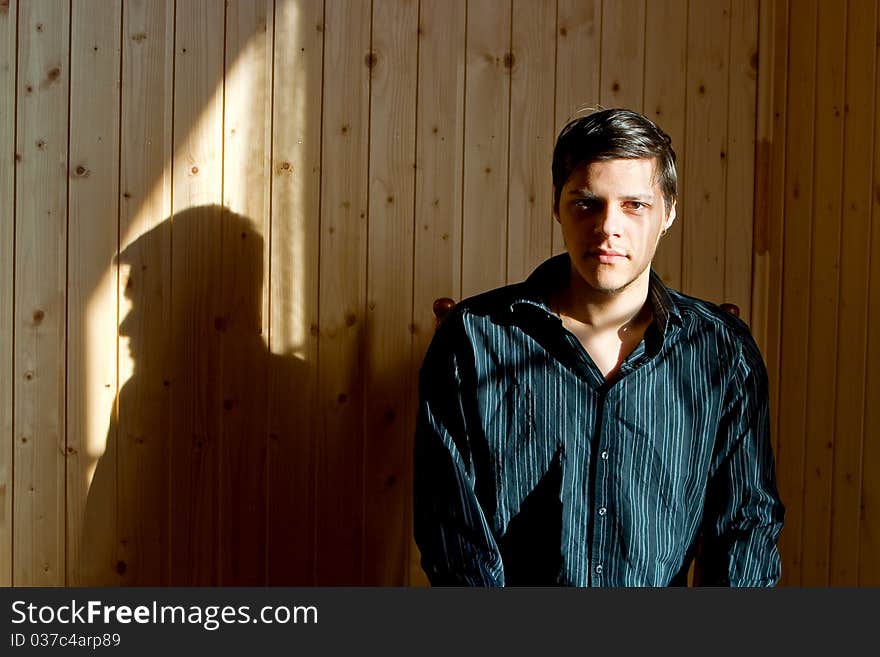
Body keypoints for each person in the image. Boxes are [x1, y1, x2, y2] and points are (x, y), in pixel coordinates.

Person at [413, 108, 784, 586]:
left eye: (635, 205)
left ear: (669, 212)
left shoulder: (722, 354)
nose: (608, 226)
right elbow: (452, 534)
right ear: (558, 206)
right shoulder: (473, 341)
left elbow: (746, 530)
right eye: (587, 203)